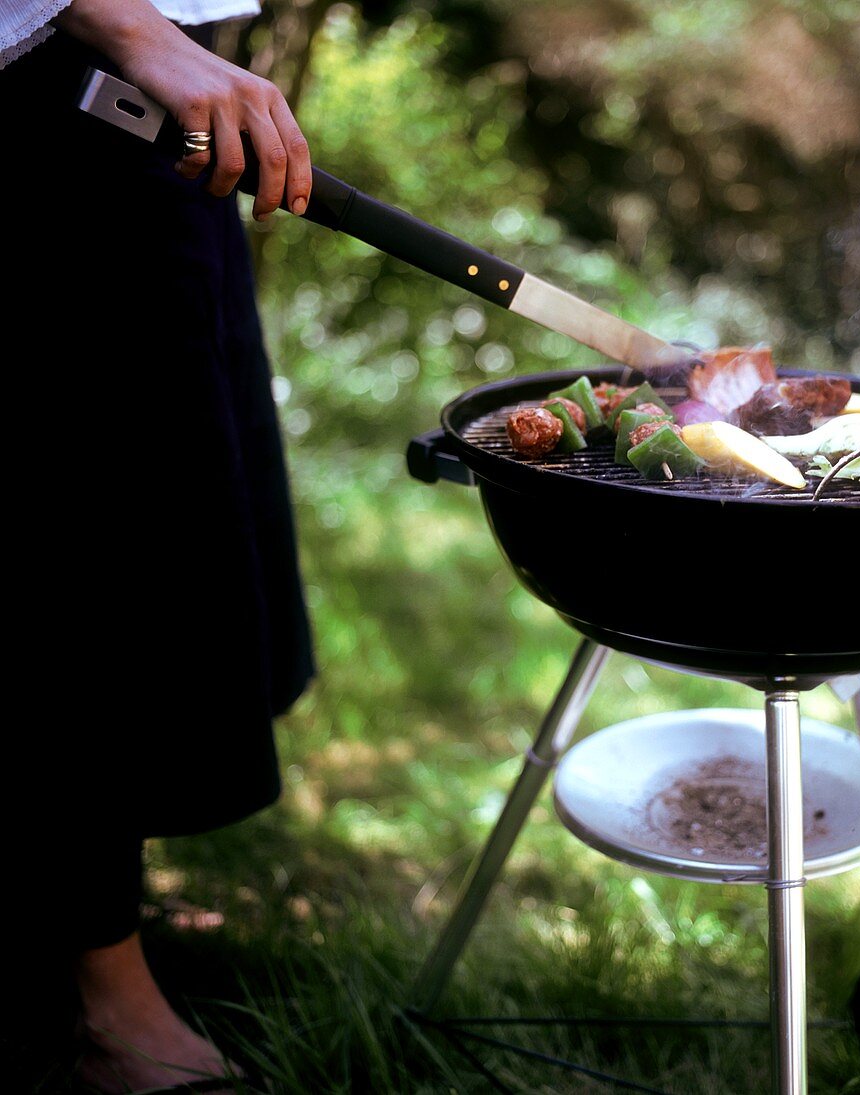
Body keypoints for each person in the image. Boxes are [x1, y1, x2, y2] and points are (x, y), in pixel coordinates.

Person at [2, 1, 316, 1090]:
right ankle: (104, 993)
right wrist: (118, 22)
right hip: (52, 81)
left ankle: (88, 908)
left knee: (167, 521)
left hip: (147, 73)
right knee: (78, 552)